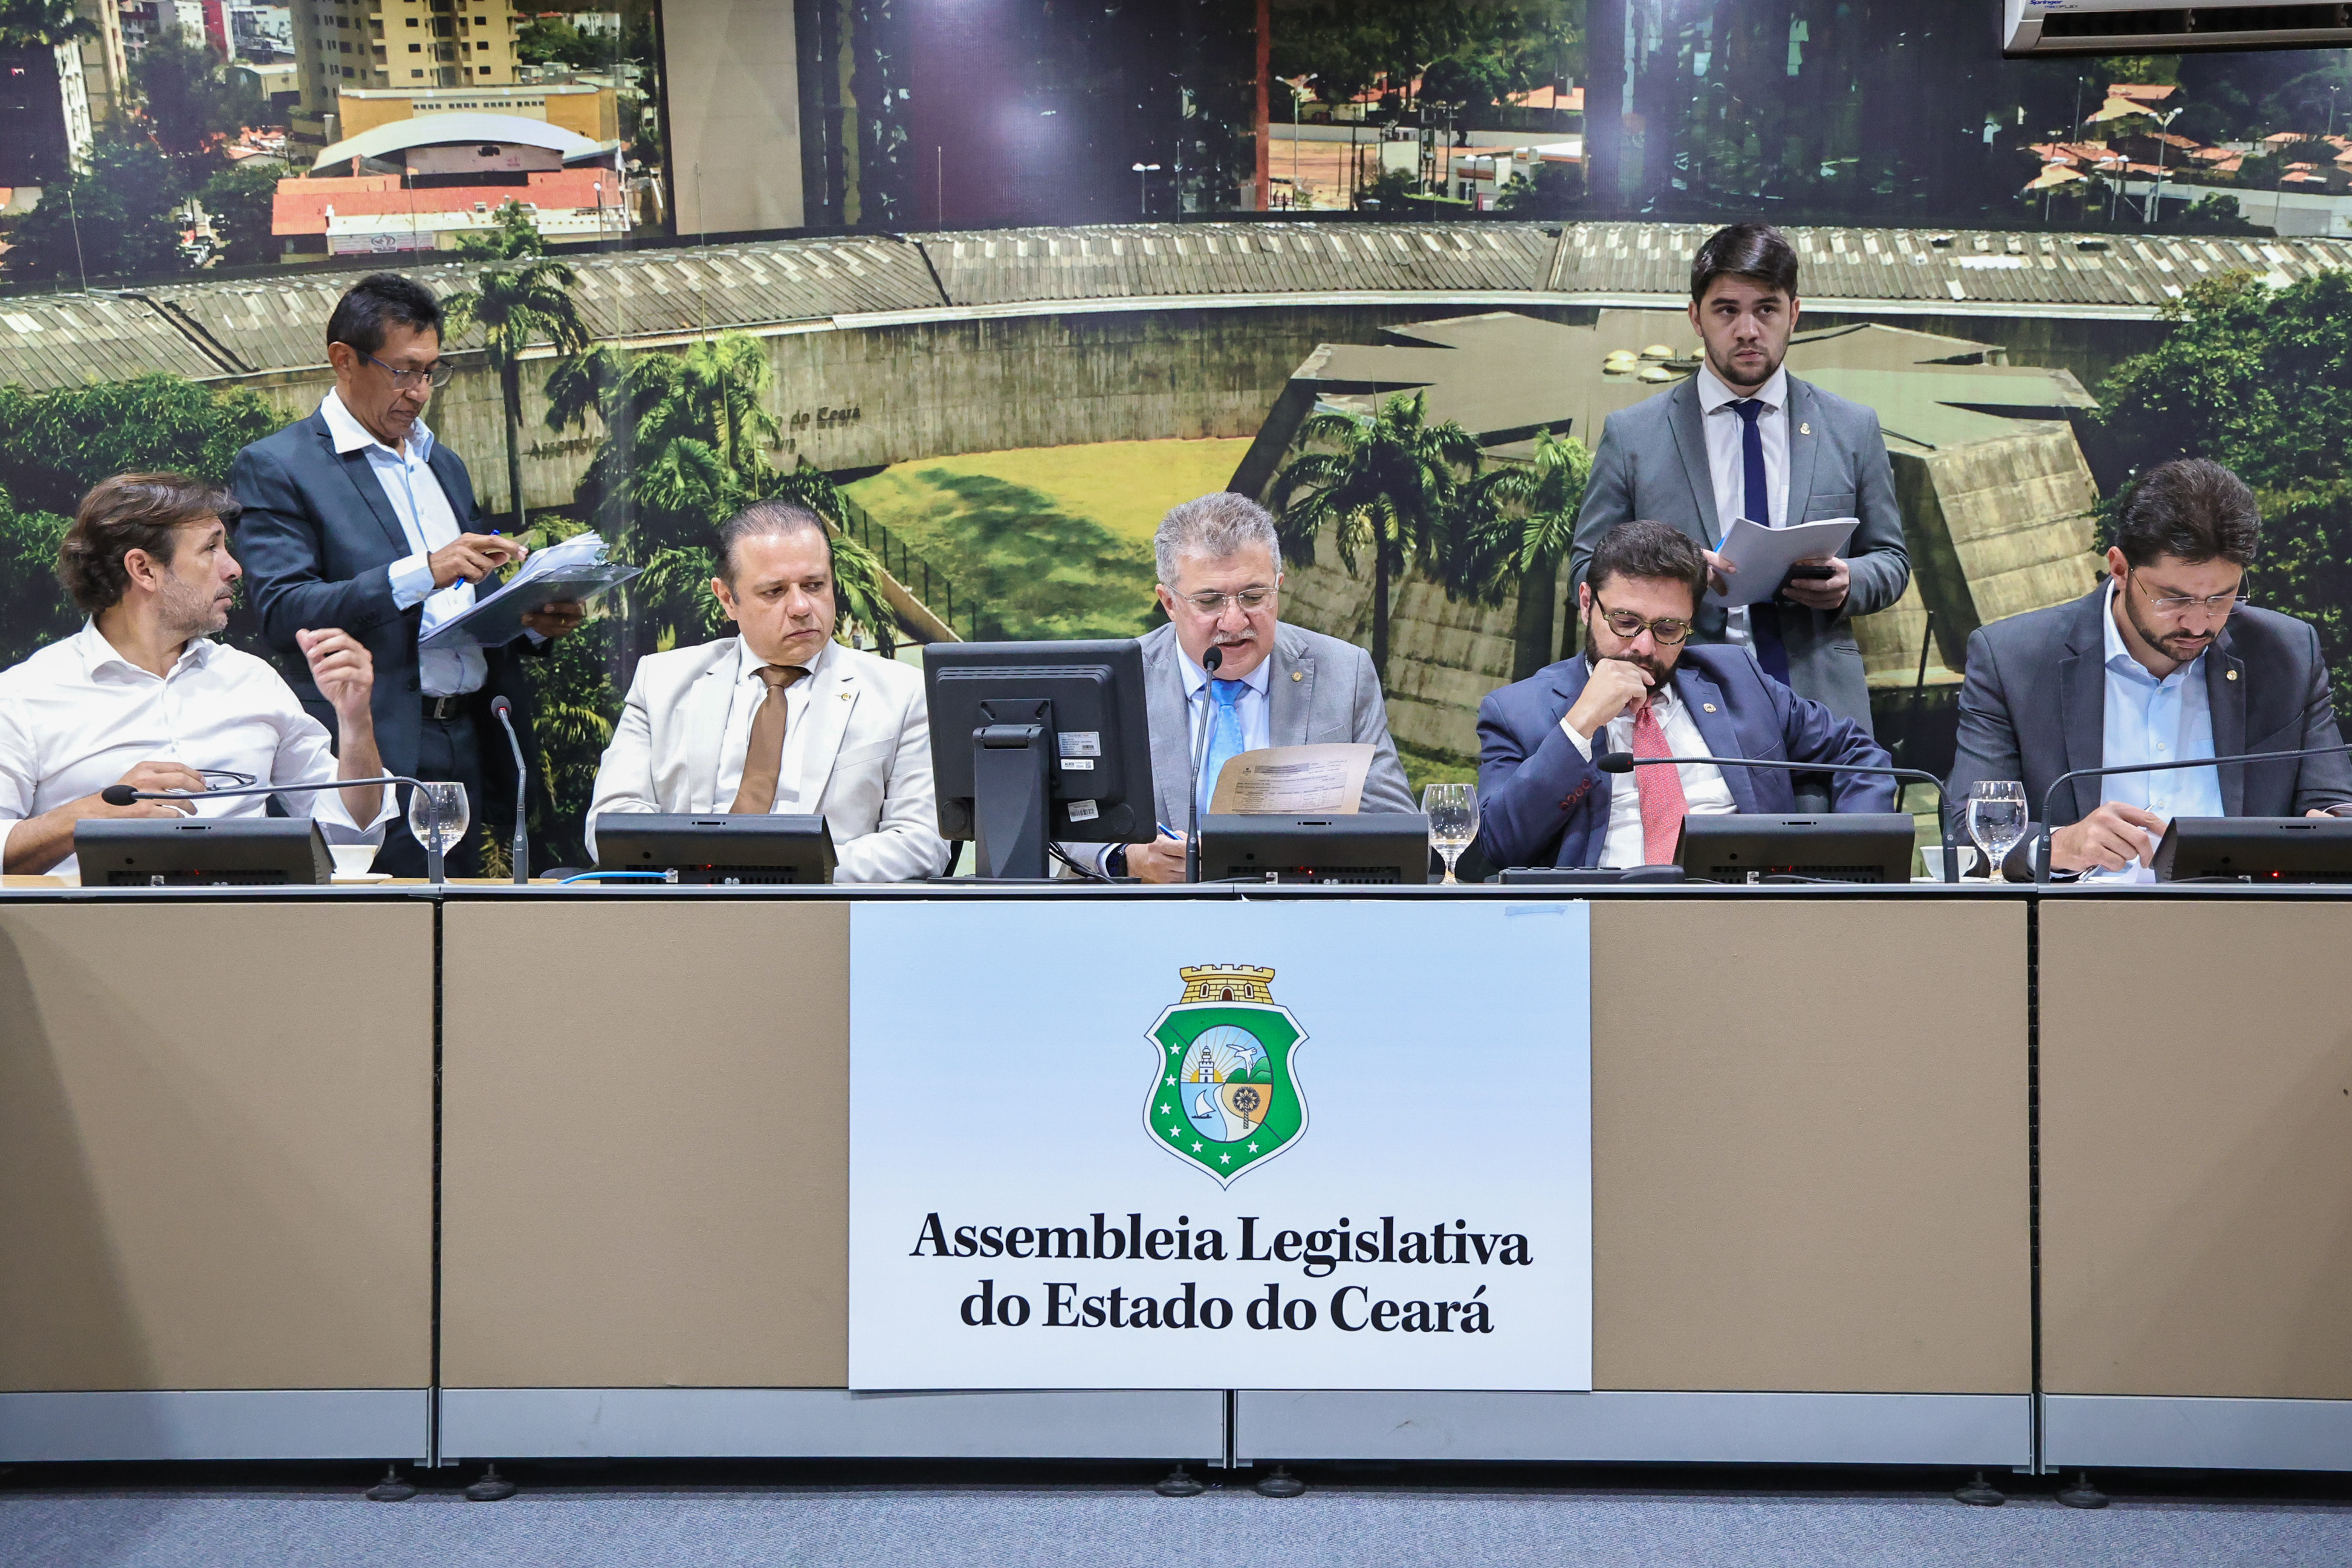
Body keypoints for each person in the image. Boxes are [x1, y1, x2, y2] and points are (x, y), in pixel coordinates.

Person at [232, 272, 586, 877]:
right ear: (343, 359)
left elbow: (466, 605)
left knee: (469, 925)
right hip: (379, 739)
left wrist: (529, 620)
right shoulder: (279, 466)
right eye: (404, 370)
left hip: (469, 731)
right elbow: (282, 609)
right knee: (385, 932)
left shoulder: (440, 463)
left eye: (431, 371)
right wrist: (423, 571)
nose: (420, 391)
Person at [1570, 221, 1910, 735]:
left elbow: (1891, 561)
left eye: (1766, 310)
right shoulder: (1632, 434)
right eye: (1727, 310)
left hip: (1816, 699)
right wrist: (1673, 578)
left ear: (1793, 314)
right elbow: (1584, 569)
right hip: (1673, 695)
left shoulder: (1851, 427)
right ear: (1696, 317)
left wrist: (1848, 582)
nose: (1748, 330)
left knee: (1833, 817)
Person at [1948, 457, 2351, 880]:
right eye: (2173, 599)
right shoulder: (2014, 659)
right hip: (2075, 928)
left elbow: (2333, 804)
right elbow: (1966, 835)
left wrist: (2331, 827)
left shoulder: (2286, 654)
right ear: (2120, 569)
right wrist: (2060, 843)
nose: (2198, 623)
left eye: (2220, 598)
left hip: (2242, 927)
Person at [0, 473, 393, 877]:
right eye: (211, 548)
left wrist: (355, 721)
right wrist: (93, 816)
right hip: (91, 932)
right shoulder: (25, 694)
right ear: (144, 570)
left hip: (253, 927)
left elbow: (352, 837)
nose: (234, 568)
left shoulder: (253, 681)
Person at [1475, 519, 1896, 870]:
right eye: (1625, 621)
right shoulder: (1516, 712)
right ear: (1587, 604)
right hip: (1602, 924)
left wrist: (1844, 868)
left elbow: (1857, 754)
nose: (1642, 647)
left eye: (1668, 629)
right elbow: (1496, 845)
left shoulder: (1737, 680)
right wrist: (1579, 725)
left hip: (1744, 919)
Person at [585, 499, 948, 884]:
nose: (801, 606)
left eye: (815, 585)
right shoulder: (661, 681)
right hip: (685, 914)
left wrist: (787, 870)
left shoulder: (902, 693)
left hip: (827, 916)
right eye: (774, 591)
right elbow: (612, 819)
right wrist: (697, 871)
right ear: (728, 599)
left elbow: (921, 842)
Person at [1097, 491, 1416, 883]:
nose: (1233, 622)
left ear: (1278, 587)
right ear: (1169, 602)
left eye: (1253, 596)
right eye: (1209, 601)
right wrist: (1127, 859)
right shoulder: (1119, 681)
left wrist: (1297, 855)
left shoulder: (1342, 672)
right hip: (1159, 924)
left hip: (1301, 917)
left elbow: (1394, 824)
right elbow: (1059, 828)